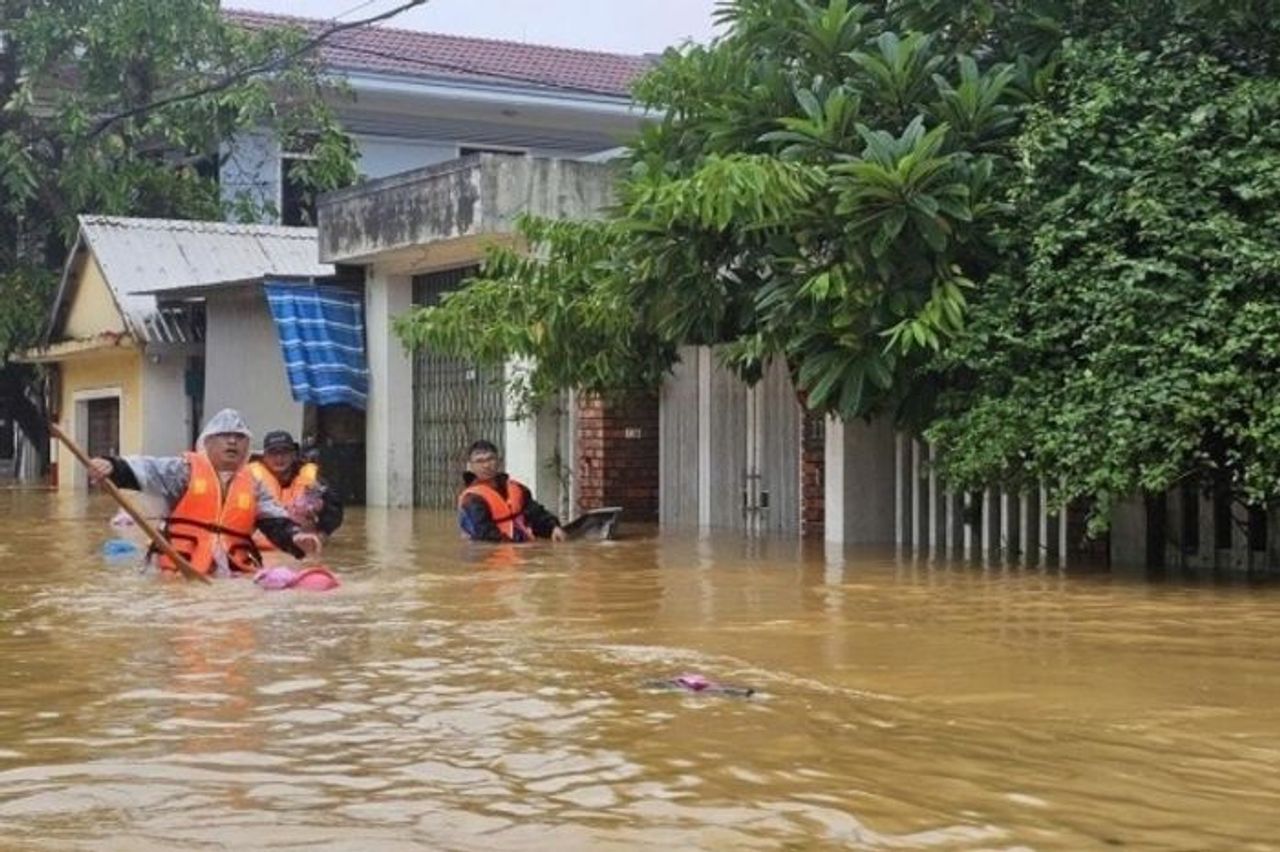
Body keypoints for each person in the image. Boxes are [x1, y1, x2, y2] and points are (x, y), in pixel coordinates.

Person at [87, 409, 322, 577]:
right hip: (177, 571)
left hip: (232, 573)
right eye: (224, 436)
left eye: (239, 437)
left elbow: (276, 522)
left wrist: (295, 538)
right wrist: (112, 466)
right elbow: (146, 469)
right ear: (207, 443)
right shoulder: (184, 470)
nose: (232, 442)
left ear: (247, 447)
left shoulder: (253, 484)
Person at [247, 430, 344, 552]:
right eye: (273, 453)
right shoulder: (249, 478)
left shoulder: (312, 479)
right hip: (259, 549)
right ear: (264, 456)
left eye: (284, 453)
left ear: (293, 455)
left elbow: (335, 510)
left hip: (300, 546)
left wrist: (322, 534)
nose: (279, 458)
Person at [457, 439, 566, 542]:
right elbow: (484, 535)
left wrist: (553, 527)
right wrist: (515, 547)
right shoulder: (471, 499)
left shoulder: (517, 488)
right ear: (470, 466)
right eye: (479, 461)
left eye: (490, 459)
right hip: (495, 553)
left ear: (498, 461)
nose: (486, 465)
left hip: (520, 544)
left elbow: (536, 513)